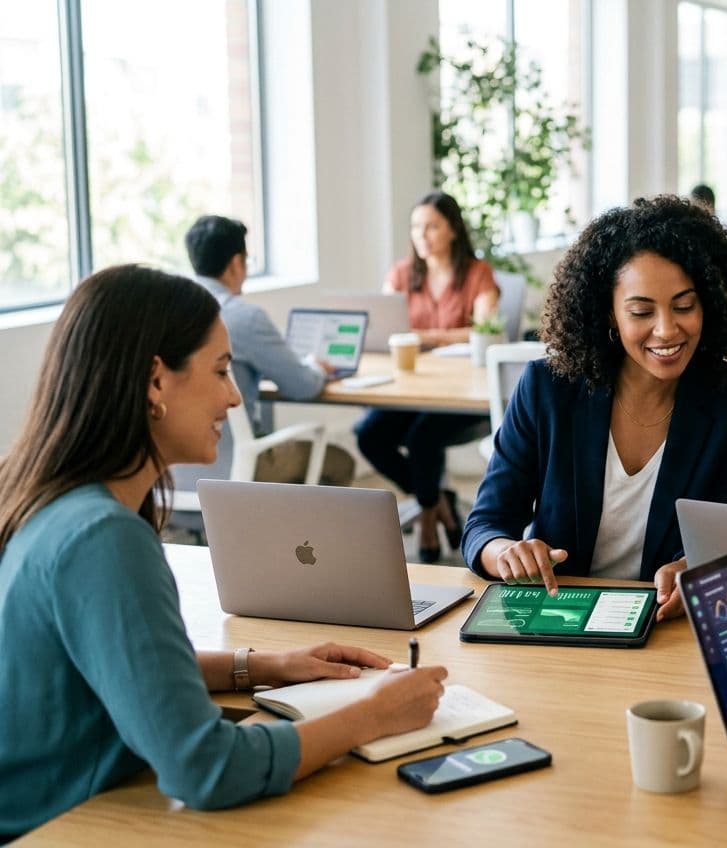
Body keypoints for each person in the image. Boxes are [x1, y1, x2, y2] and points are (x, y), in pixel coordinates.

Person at [0, 265, 448, 840]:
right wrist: (374, 714)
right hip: (56, 826)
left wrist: (261, 666)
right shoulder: (102, 539)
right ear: (154, 382)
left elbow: (124, 670)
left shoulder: (49, 499)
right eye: (220, 371)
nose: (235, 396)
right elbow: (207, 767)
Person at [462, 195, 727, 620]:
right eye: (641, 311)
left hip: (662, 626)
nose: (666, 330)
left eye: (684, 306)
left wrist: (692, 571)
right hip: (558, 616)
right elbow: (483, 526)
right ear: (609, 313)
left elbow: (723, 541)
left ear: (709, 304)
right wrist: (506, 554)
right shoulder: (548, 388)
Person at [354, 192, 500, 562]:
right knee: (368, 435)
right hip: (412, 390)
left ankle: (428, 523)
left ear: (453, 229)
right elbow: (388, 328)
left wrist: (425, 337)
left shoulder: (477, 273)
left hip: (463, 396)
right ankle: (437, 503)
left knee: (422, 440)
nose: (423, 235)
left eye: (432, 226)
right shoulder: (402, 273)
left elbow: (485, 330)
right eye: (416, 227)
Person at [183, 215, 354, 485]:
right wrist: (315, 367)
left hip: (175, 477)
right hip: (236, 471)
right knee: (340, 462)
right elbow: (303, 386)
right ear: (237, 263)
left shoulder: (168, 314)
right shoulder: (242, 317)